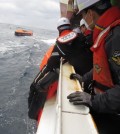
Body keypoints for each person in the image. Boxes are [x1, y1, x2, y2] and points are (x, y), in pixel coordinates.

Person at [67, 0, 120, 133]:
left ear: (90, 13)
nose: (84, 19)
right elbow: (101, 67)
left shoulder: (116, 37)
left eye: (83, 15)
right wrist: (84, 79)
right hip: (106, 107)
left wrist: (93, 100)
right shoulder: (108, 32)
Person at [28, 17, 93, 120]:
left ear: (59, 29)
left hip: (85, 79)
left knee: (35, 86)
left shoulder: (59, 44)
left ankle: (32, 114)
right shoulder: (82, 37)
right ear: (70, 26)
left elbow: (51, 64)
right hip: (92, 73)